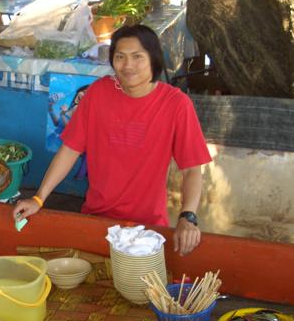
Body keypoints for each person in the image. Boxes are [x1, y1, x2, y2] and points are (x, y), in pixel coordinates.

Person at [13, 25, 212, 256]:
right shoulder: (98, 93)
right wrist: (39, 198)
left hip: (146, 228)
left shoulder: (176, 104)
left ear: (153, 58)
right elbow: (70, 150)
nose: (128, 65)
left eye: (137, 56)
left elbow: (191, 170)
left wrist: (188, 217)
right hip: (96, 219)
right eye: (120, 57)